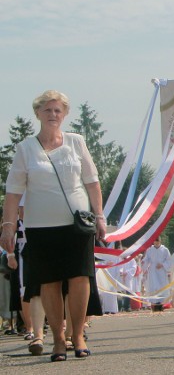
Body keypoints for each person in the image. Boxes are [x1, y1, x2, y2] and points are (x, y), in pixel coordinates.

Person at [1, 90, 107, 362]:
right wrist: (8, 226)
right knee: (49, 282)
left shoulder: (76, 142)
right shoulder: (26, 148)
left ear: (65, 114)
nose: (53, 115)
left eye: (58, 110)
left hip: (77, 225)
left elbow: (92, 182)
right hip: (41, 227)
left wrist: (100, 217)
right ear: (37, 113)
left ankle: (77, 335)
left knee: (80, 278)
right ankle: (58, 340)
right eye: (47, 110)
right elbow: (13, 192)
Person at [144, 237, 171, 309]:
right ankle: (154, 304)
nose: (156, 244)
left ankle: (161, 304)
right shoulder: (149, 250)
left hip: (161, 271)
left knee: (161, 287)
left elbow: (169, 260)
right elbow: (146, 259)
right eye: (155, 243)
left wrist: (163, 265)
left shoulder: (165, 250)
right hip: (153, 271)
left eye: (157, 243)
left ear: (160, 242)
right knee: (154, 287)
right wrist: (144, 264)